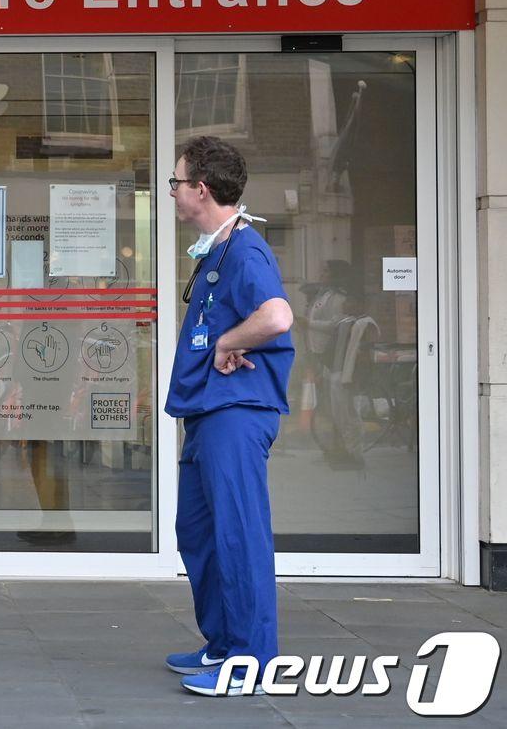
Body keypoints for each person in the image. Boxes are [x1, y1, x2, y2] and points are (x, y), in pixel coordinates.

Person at [163, 137, 295, 696]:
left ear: (201, 188)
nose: (171, 190)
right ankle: (221, 642)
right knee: (198, 530)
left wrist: (228, 342)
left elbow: (277, 316)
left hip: (235, 413)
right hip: (207, 414)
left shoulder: (245, 250)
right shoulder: (218, 247)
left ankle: (250, 662)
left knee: (238, 534)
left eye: (176, 181)